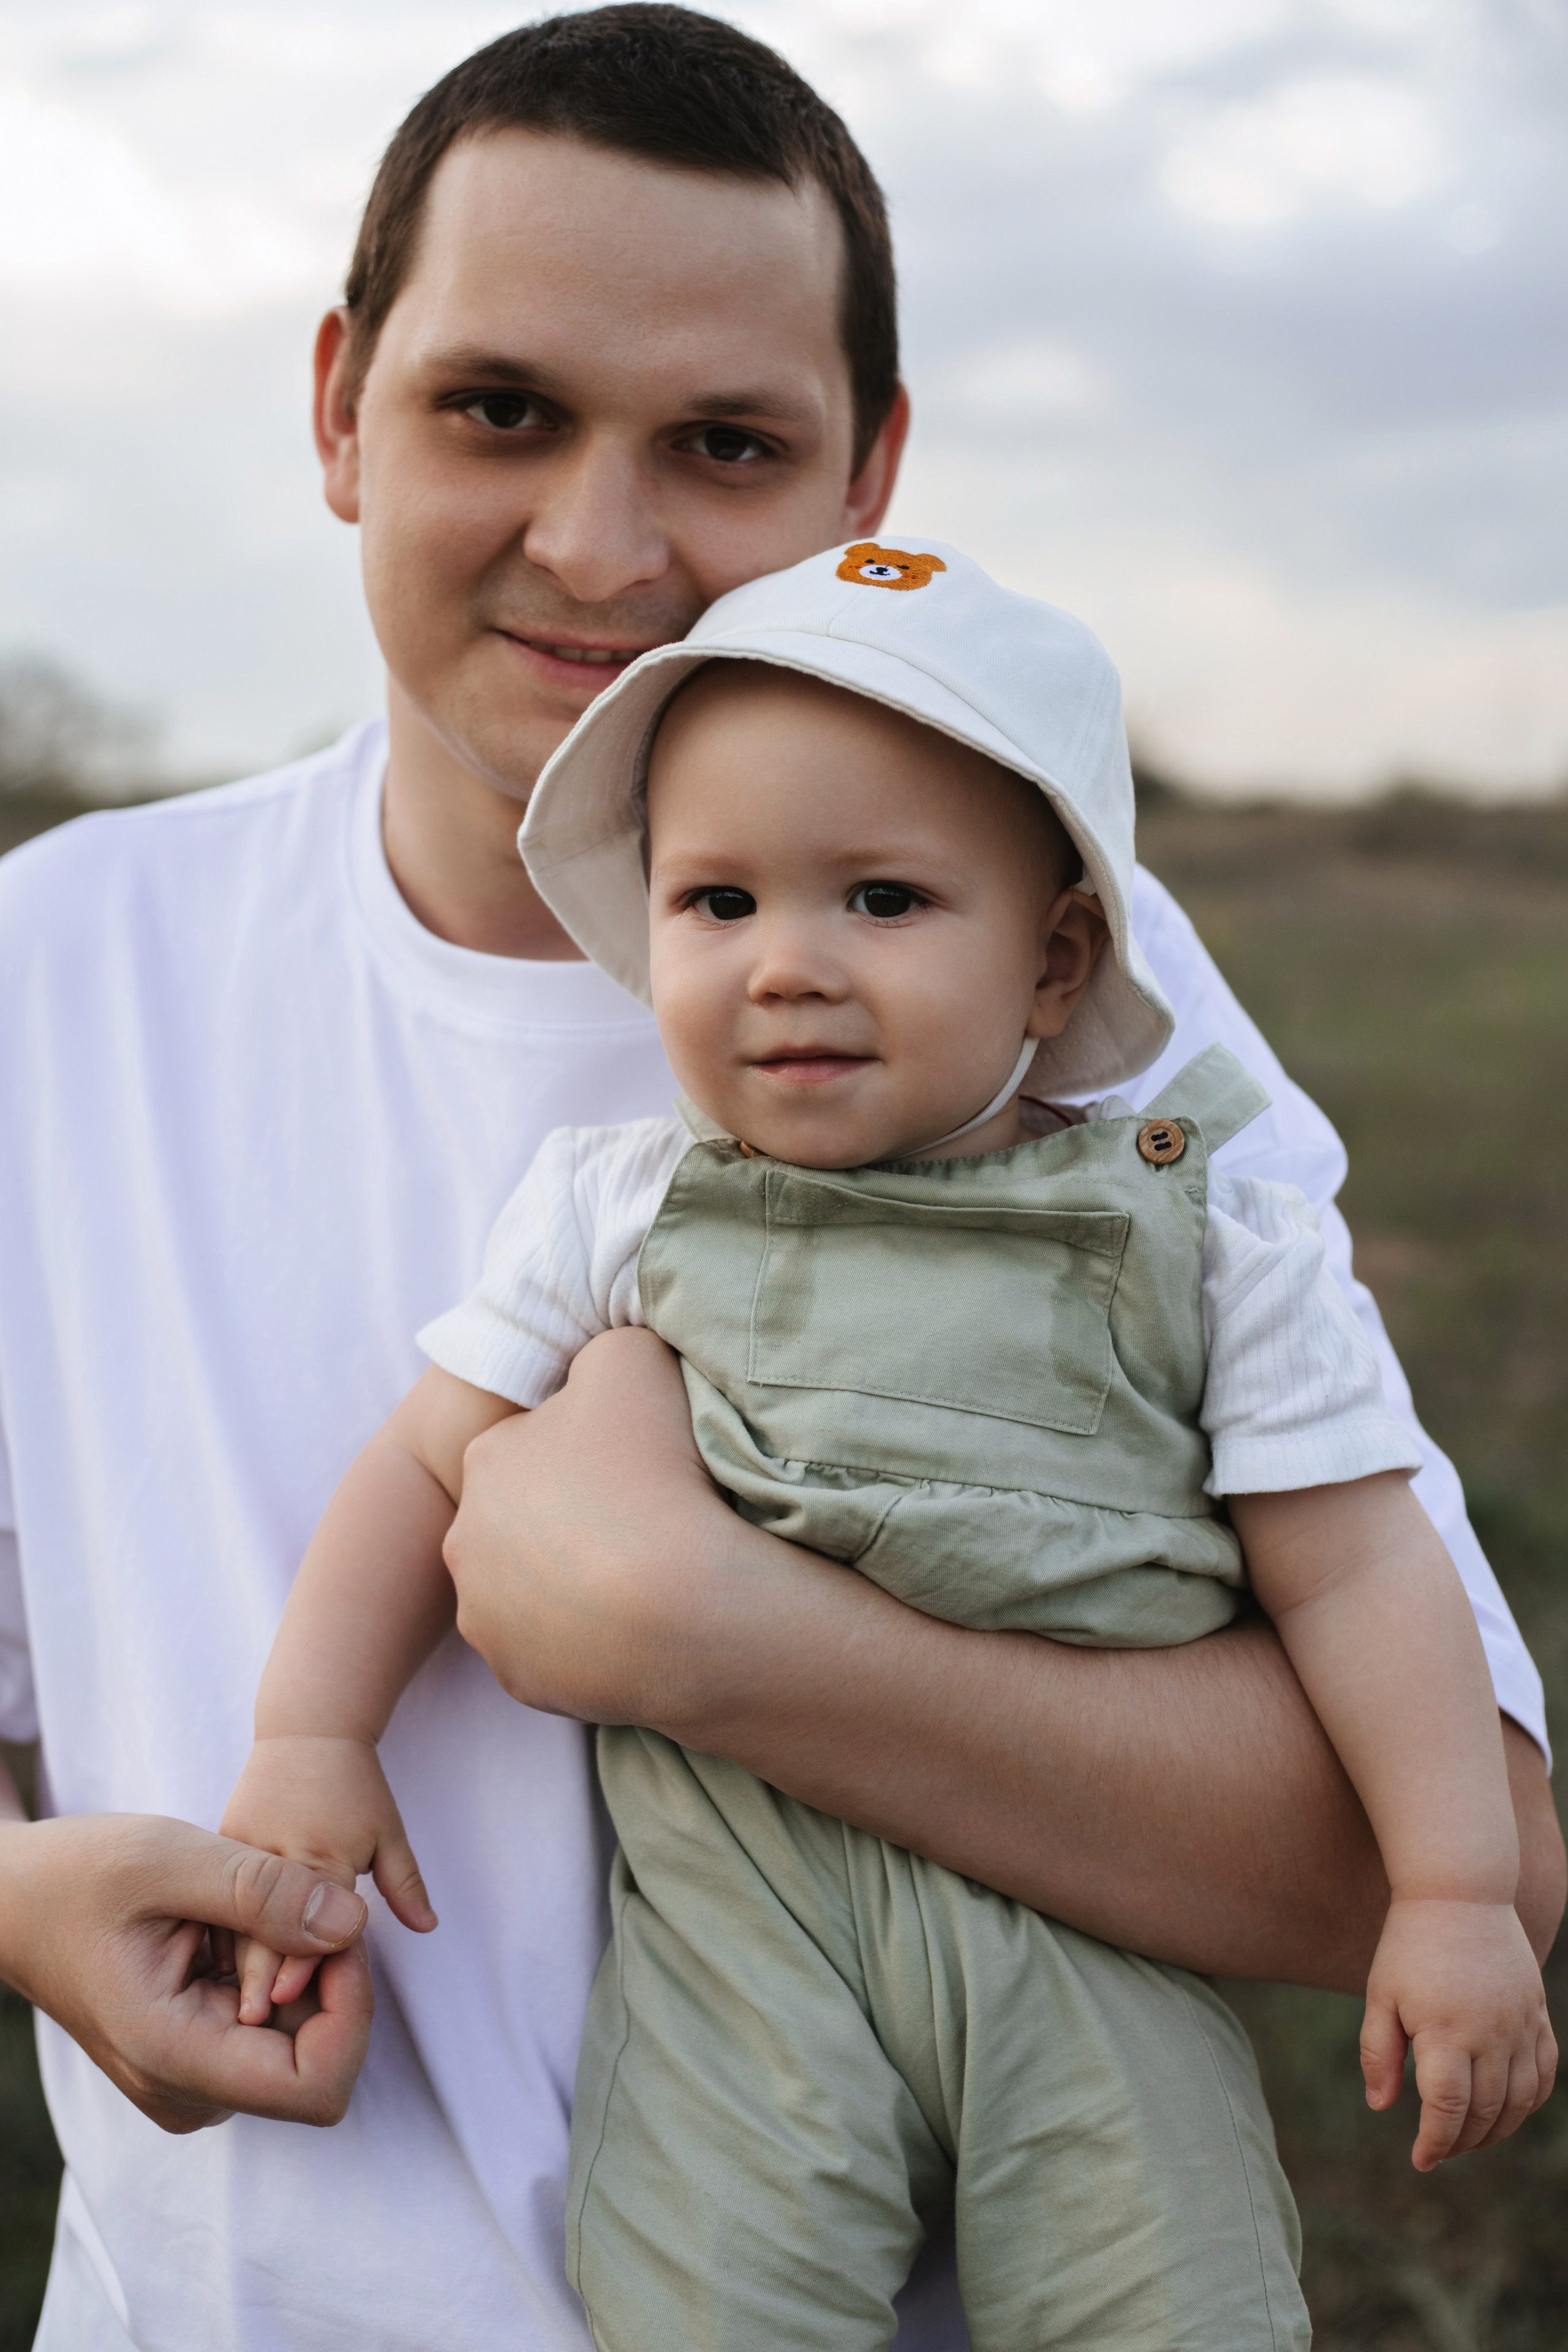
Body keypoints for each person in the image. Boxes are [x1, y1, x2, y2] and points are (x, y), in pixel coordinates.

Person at [0, 12, 1556, 2351]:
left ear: (872, 484)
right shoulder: (52, 969)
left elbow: (1473, 1848)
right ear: (339, 407)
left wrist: (709, 1637)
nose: (600, 544)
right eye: (497, 408)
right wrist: (25, 1905)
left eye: (725, 443)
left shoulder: (1080, 1019)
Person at [221, 541, 1550, 2351]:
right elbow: (420, 1462)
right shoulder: (620, 1206)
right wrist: (311, 1734)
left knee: (1176, 2306)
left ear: (1055, 958)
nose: (788, 967)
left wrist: (1455, 1889)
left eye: (884, 899)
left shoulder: (1206, 1237)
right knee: (706, 2303)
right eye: (717, 902)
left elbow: (1362, 1563)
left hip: (1092, 1928)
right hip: (742, 1940)